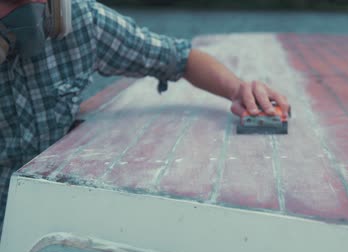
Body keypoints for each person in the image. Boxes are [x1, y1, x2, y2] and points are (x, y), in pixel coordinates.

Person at [0, 0, 290, 235]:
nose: (26, 13)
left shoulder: (83, 22)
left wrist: (239, 89)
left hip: (49, 222)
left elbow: (180, 57)